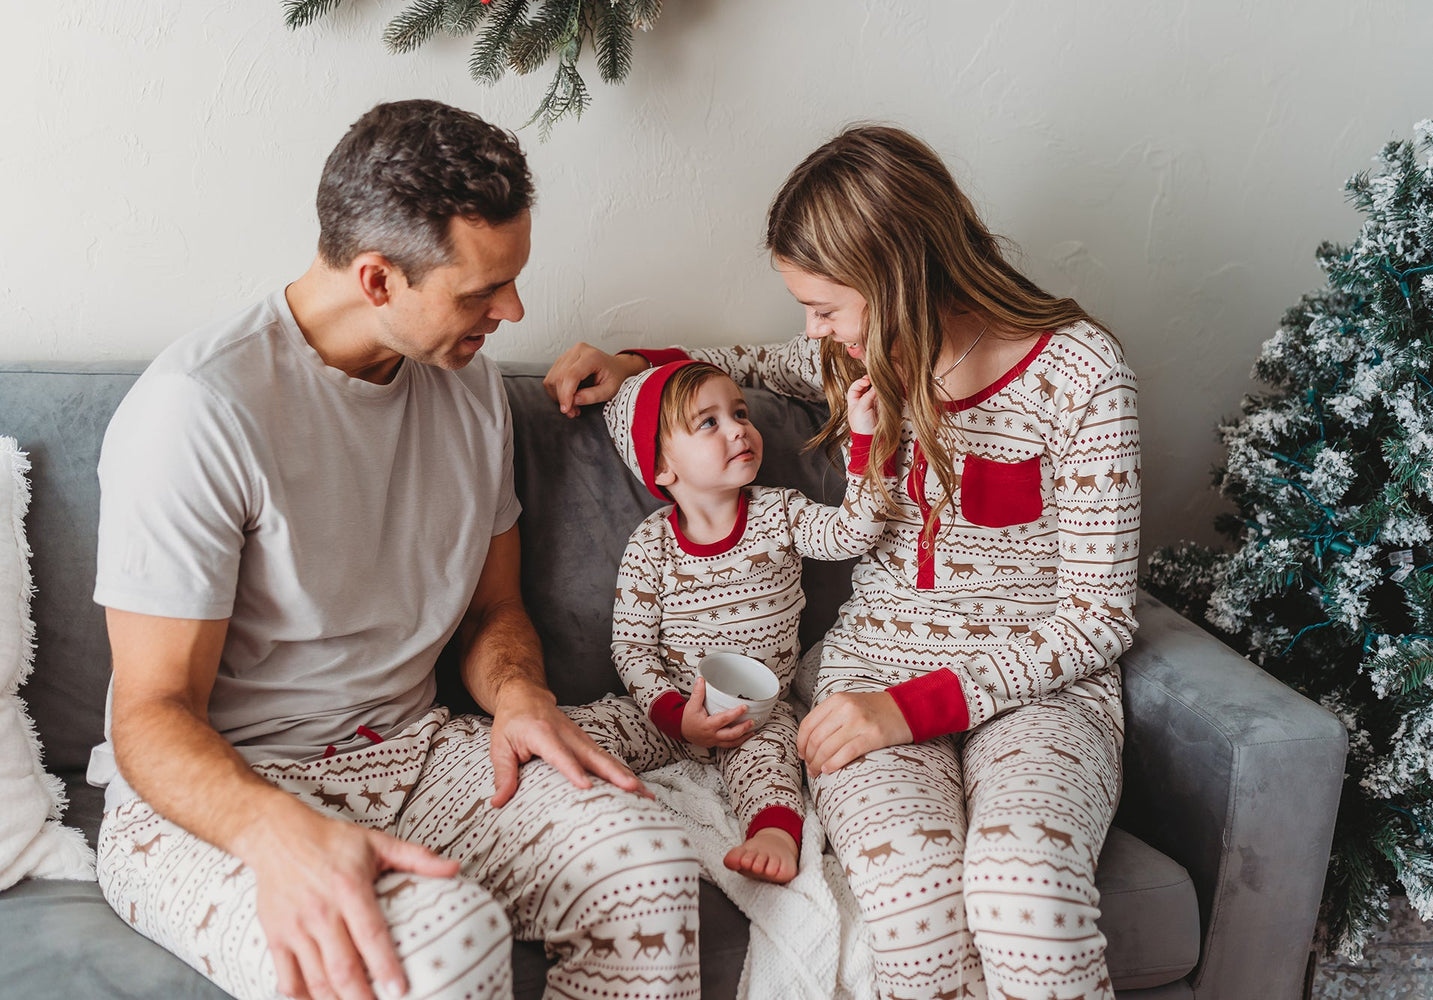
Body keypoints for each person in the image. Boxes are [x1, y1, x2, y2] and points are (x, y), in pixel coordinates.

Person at [88, 99, 703, 1000]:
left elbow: (495, 611)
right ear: (377, 279)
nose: (514, 309)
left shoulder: (469, 384)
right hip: (224, 794)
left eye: (513, 279)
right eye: (482, 291)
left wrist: (520, 693)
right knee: (440, 949)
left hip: (416, 752)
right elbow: (151, 713)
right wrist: (275, 834)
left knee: (649, 867)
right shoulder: (198, 411)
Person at [544, 125, 1141, 1000]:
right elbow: (752, 363)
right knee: (909, 911)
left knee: (1024, 891)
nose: (813, 331)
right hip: (869, 674)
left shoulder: (1082, 374)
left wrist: (912, 709)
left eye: (825, 306)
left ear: (899, 276)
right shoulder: (859, 360)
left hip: (1041, 692)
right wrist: (637, 363)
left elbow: (1100, 616)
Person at [566, 360, 889, 884]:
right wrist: (674, 716)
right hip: (669, 710)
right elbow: (631, 648)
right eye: (708, 422)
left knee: (776, 765)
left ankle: (773, 834)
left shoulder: (780, 513)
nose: (740, 427)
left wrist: (865, 439)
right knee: (577, 732)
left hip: (755, 718)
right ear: (663, 469)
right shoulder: (652, 545)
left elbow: (853, 534)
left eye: (739, 412)